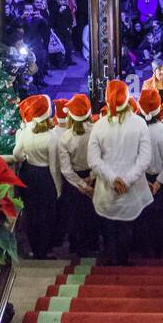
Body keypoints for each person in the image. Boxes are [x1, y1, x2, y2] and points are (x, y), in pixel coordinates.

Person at [87, 79, 153, 266]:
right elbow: (145, 159)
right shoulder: (140, 124)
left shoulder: (99, 126)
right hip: (132, 191)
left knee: (109, 229)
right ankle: (123, 261)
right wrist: (127, 180)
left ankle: (112, 261)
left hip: (107, 191)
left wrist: (113, 179)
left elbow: (93, 160)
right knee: (127, 229)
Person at [13, 94, 62, 259]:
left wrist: (26, 158)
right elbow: (55, 166)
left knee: (31, 213)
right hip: (45, 176)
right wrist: (58, 187)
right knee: (46, 215)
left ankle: (34, 248)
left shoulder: (26, 132)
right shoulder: (52, 136)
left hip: (28, 173)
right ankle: (44, 250)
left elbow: (16, 154)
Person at [57, 93, 99, 257]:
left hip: (75, 182)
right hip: (93, 177)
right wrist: (91, 177)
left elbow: (66, 169)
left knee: (76, 215)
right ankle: (94, 244)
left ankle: (77, 247)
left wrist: (81, 185)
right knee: (93, 213)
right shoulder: (96, 132)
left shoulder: (65, 138)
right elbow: (100, 157)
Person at [136, 86, 163, 257]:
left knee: (144, 217)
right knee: (162, 218)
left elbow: (134, 159)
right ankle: (162, 252)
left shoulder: (136, 130)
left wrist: (145, 181)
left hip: (142, 181)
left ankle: (144, 251)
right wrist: (159, 181)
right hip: (161, 181)